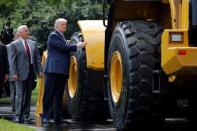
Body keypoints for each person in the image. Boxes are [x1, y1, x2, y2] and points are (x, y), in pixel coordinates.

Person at [42, 18, 86, 124]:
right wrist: (77, 45)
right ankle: (45, 117)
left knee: (59, 95)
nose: (65, 26)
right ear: (57, 26)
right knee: (49, 94)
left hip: (61, 70)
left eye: (65, 24)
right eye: (63, 24)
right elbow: (63, 47)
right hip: (53, 70)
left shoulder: (61, 36)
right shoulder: (53, 36)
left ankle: (58, 118)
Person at [10, 25, 43, 123]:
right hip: (19, 74)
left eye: (28, 30)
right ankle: (17, 115)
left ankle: (26, 115)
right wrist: (14, 73)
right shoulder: (14, 44)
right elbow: (12, 61)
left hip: (31, 73)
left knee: (28, 95)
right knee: (19, 94)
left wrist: (40, 71)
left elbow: (37, 58)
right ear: (19, 33)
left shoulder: (33, 43)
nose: (28, 32)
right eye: (25, 30)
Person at [6, 32, 20, 112]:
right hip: (13, 72)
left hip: (11, 71)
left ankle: (14, 107)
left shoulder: (7, 46)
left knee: (14, 91)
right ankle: (15, 107)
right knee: (16, 91)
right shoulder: (11, 46)